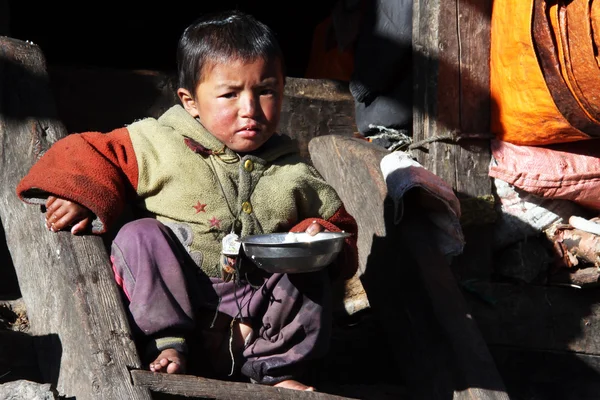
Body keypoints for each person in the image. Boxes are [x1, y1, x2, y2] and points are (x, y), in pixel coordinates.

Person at [16, 9, 358, 392]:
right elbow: (91, 152)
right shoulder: (158, 142)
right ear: (190, 101)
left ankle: (274, 371)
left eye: (266, 91)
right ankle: (169, 345)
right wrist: (81, 194)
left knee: (310, 275)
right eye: (229, 94)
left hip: (257, 311)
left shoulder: (295, 172)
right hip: (182, 297)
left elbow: (340, 229)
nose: (251, 109)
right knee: (140, 235)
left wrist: (315, 233)